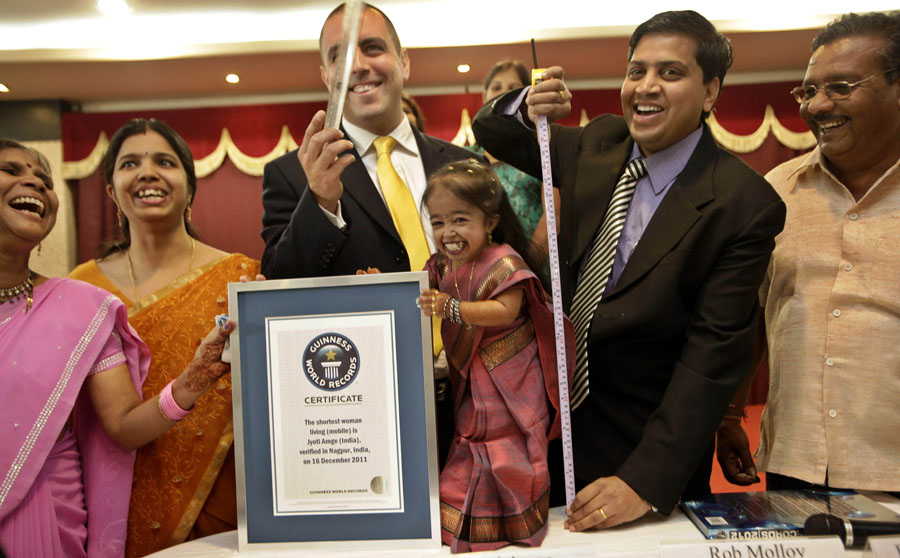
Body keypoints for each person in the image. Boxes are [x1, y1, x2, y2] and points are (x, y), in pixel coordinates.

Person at [473, 10, 786, 529]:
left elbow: (710, 362)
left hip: (643, 464)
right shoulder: (598, 143)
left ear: (710, 92)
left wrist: (643, 481)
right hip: (539, 441)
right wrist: (527, 106)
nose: (646, 86)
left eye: (670, 72)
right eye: (637, 70)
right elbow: (493, 130)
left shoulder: (742, 204)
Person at [0, 138, 233, 558]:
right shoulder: (87, 282)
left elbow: (124, 424)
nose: (35, 183)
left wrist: (194, 378)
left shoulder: (78, 304)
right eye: (11, 171)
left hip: (47, 514)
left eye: (45, 180)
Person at [716, 11, 900, 493]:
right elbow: (752, 314)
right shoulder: (775, 190)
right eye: (808, 90)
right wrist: (730, 413)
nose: (817, 105)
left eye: (841, 87)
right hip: (797, 465)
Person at [69, 119, 260, 556]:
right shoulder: (81, 288)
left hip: (221, 497)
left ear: (190, 189)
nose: (147, 172)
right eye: (130, 164)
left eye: (164, 162)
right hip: (115, 490)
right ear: (112, 191)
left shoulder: (240, 277)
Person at [415, 159, 571, 551]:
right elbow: (415, 291)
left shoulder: (504, 261)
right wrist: (381, 285)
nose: (448, 232)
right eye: (438, 222)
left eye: (460, 220)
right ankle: (468, 522)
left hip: (512, 379)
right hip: (472, 378)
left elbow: (506, 310)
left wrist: (452, 309)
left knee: (507, 451)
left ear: (490, 222)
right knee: (471, 440)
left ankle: (515, 523)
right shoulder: (441, 265)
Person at [260, 2, 479, 280]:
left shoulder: (467, 164)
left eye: (372, 48)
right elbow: (279, 281)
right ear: (327, 78)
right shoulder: (291, 175)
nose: (357, 66)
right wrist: (320, 203)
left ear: (404, 62)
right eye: (339, 56)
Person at [469, 60, 549, 267]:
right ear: (484, 96)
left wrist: (522, 269)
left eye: (514, 88)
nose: (504, 93)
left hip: (536, 267)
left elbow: (554, 216)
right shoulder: (467, 158)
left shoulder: (541, 148)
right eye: (496, 87)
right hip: (480, 270)